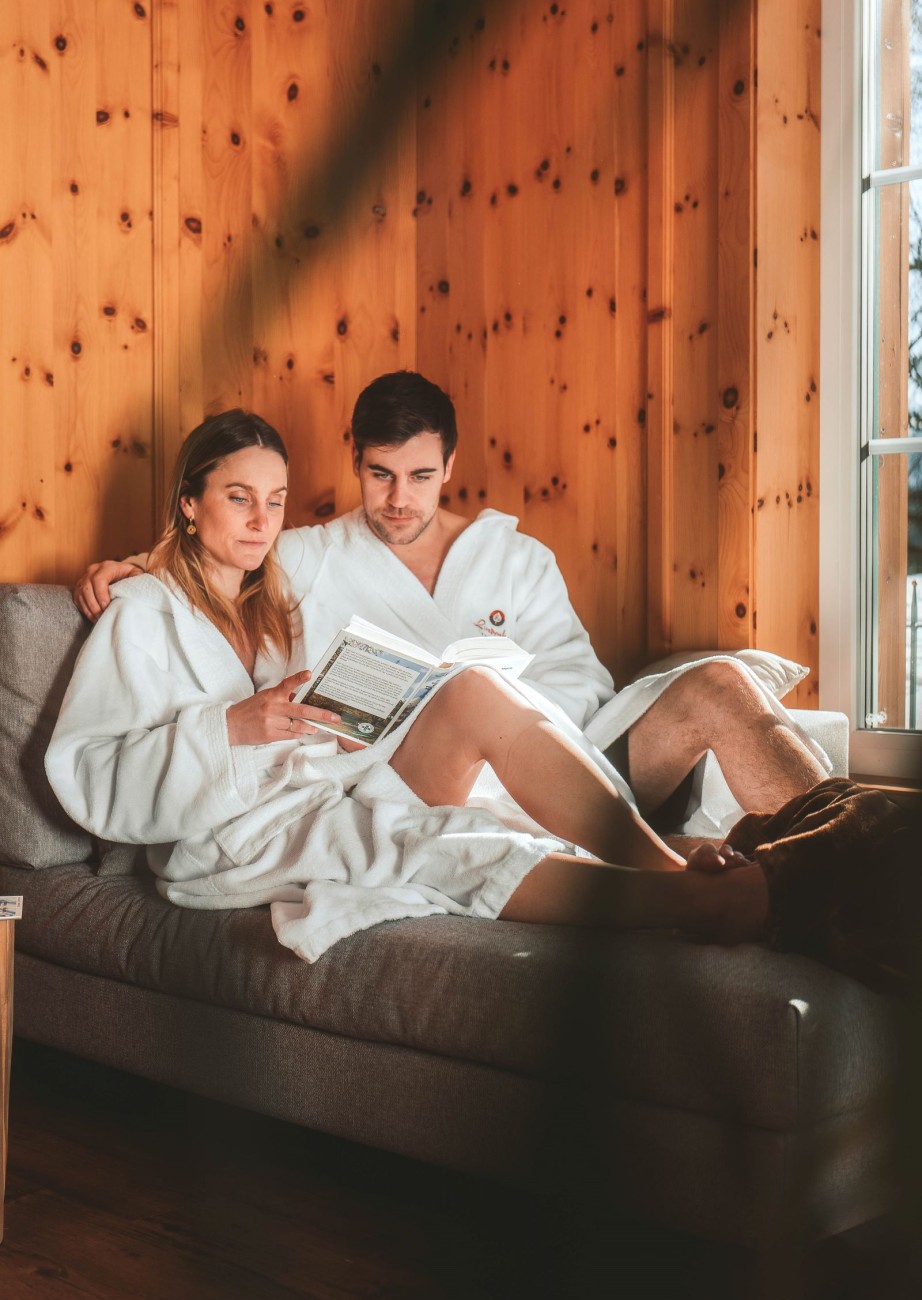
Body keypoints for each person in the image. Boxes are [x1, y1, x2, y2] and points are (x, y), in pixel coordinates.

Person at [46, 408, 775, 963]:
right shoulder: (140, 615)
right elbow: (87, 775)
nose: (262, 520)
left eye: (275, 500)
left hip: (324, 782)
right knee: (442, 841)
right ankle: (685, 902)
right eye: (239, 498)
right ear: (189, 503)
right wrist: (230, 728)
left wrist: (359, 709)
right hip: (233, 840)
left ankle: (671, 865)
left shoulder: (276, 594)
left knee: (473, 686)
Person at [72, 371, 829, 833]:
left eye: (422, 477)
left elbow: (586, 684)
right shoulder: (309, 555)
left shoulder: (517, 560)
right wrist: (132, 564)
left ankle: (853, 851)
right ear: (356, 461)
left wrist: (498, 707)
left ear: (451, 466)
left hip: (565, 765)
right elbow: (221, 550)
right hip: (434, 790)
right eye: (380, 476)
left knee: (723, 685)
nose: (399, 500)